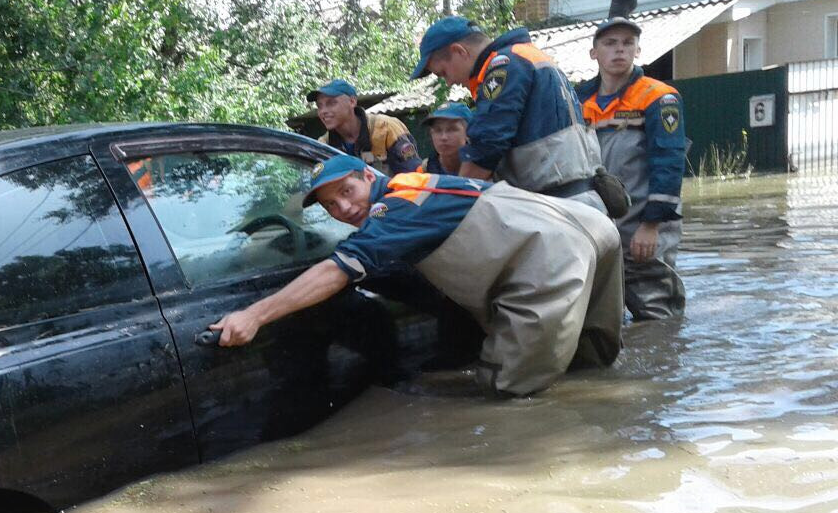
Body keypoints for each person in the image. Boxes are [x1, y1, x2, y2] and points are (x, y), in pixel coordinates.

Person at [210, 155, 623, 397]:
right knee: (591, 367)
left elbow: (338, 271)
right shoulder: (417, 185)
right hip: (590, 226)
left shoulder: (394, 208)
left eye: (347, 192)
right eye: (331, 206)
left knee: (512, 393)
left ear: (368, 177)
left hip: (551, 256)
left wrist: (256, 315)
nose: (343, 210)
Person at [412, 16, 611, 213]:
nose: (448, 82)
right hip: (581, 202)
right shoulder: (528, 55)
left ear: (459, 51)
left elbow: (486, 145)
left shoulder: (504, 65)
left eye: (443, 73)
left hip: (558, 208)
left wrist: (452, 205)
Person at [577, 17, 687, 319]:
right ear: (593, 53)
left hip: (643, 224)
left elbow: (669, 163)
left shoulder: (658, 96)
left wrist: (651, 226)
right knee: (597, 315)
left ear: (638, 51)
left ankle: (661, 363)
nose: (619, 50)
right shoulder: (578, 100)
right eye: (610, 43)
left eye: (627, 43)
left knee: (657, 315)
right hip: (595, 225)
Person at [308, 78, 422, 176]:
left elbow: (414, 174)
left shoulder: (386, 128)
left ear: (352, 101)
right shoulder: (324, 145)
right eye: (319, 106)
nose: (323, 111)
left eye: (331, 103)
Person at [417, 101, 472, 175]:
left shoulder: (486, 168)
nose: (444, 137)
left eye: (452, 129)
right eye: (437, 130)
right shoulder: (424, 170)